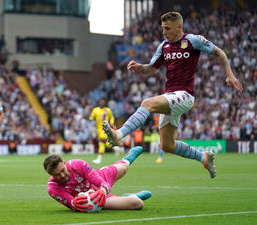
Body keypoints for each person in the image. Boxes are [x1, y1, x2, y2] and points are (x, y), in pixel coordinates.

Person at [103, 11, 243, 179]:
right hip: (171, 96)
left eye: (167, 28)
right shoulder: (163, 46)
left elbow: (219, 53)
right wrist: (140, 67)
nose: (164, 32)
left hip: (185, 95)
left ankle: (119, 134)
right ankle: (203, 157)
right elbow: (152, 69)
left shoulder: (193, 40)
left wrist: (230, 74)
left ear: (179, 27)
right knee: (167, 145)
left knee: (147, 103)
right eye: (163, 28)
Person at [43, 146, 152, 212]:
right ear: (50, 174)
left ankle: (127, 159)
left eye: (62, 170)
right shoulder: (52, 188)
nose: (62, 176)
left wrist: (103, 190)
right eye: (57, 175)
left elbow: (100, 181)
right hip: (95, 199)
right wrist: (78, 203)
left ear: (64, 163)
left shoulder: (78, 164)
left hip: (99, 180)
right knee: (137, 204)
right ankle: (131, 196)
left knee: (123, 168)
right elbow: (72, 204)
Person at [89, 98, 115, 164]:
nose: (102, 103)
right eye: (101, 102)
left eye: (103, 102)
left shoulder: (107, 110)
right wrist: (90, 118)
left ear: (105, 103)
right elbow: (91, 117)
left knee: (101, 142)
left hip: (105, 128)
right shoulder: (95, 110)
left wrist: (111, 122)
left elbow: (111, 117)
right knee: (103, 143)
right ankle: (116, 147)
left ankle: (99, 159)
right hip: (98, 129)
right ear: (99, 103)